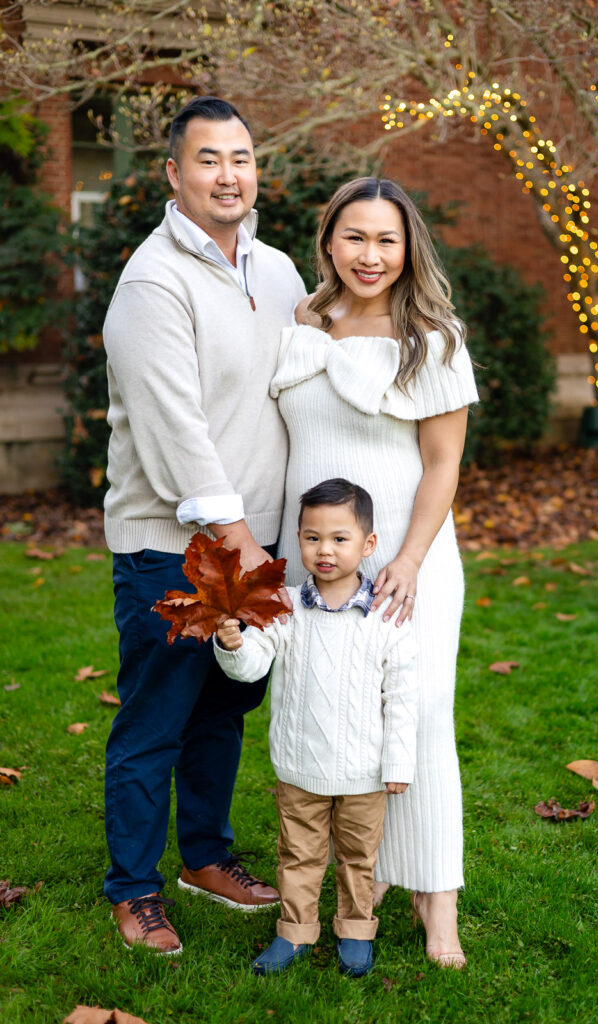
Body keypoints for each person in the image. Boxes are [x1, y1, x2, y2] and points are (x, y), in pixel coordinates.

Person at [101, 95, 306, 954]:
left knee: (225, 713)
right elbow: (176, 433)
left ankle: (207, 858)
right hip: (171, 547)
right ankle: (134, 889)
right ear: (174, 173)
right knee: (156, 720)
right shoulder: (152, 282)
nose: (229, 174)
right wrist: (243, 544)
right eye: (209, 159)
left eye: (242, 158)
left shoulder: (281, 270)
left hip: (258, 543)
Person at [269, 177, 478, 968]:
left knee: (417, 720)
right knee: (339, 723)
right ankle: (374, 879)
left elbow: (442, 464)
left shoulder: (433, 336)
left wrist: (409, 560)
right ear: (327, 241)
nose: (369, 255)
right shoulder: (305, 320)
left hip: (403, 560)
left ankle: (438, 907)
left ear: (407, 248)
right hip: (317, 560)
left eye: (386, 240)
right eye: (354, 237)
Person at [214, 478, 417, 977]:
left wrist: (396, 762)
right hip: (300, 764)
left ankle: (355, 931)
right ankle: (295, 932)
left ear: (368, 545)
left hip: (365, 771)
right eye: (311, 537)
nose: (324, 550)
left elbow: (403, 697)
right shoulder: (283, 607)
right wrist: (234, 645)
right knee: (298, 856)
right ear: (299, 538)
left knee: (356, 859)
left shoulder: (386, 617)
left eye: (339, 539)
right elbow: (254, 665)